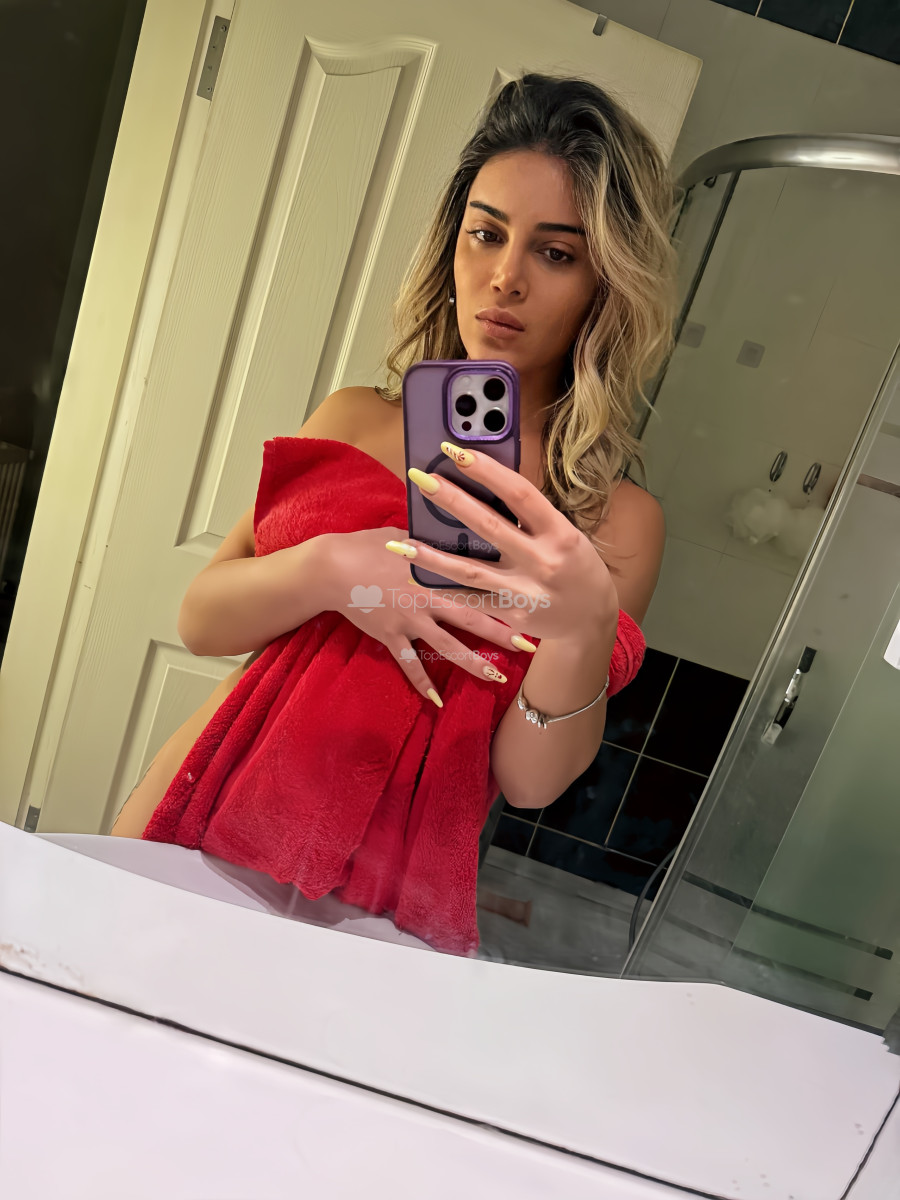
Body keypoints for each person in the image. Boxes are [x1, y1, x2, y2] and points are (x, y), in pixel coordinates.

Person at [109, 73, 677, 951]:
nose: (505, 277)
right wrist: (331, 569)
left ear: (607, 284)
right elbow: (203, 622)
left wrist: (578, 629)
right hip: (209, 810)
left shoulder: (611, 522)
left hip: (392, 896)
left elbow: (530, 783)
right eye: (486, 233)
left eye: (556, 254)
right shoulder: (352, 420)